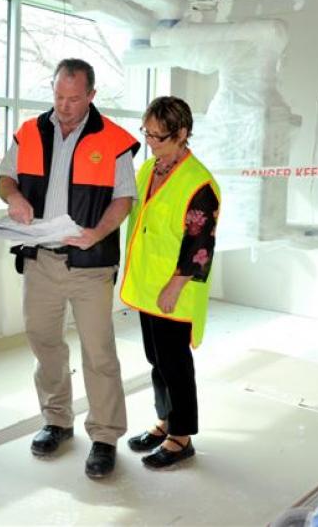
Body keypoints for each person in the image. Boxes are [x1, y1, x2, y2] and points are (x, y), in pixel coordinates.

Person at [0, 58, 140, 479]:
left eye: (74, 98)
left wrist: (97, 233)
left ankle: (105, 435)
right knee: (44, 341)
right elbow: (5, 177)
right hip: (41, 259)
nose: (65, 105)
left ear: (91, 96)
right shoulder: (31, 131)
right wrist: (15, 198)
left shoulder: (113, 140)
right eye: (59, 96)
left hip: (90, 266)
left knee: (98, 352)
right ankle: (57, 420)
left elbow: (124, 198)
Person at [120, 96, 220, 469]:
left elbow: (200, 245)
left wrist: (174, 285)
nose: (150, 141)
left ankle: (182, 436)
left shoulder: (199, 184)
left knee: (175, 363)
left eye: (158, 136)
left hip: (174, 290)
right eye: (146, 132)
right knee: (156, 360)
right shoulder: (150, 168)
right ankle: (164, 421)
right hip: (148, 285)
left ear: (182, 134)